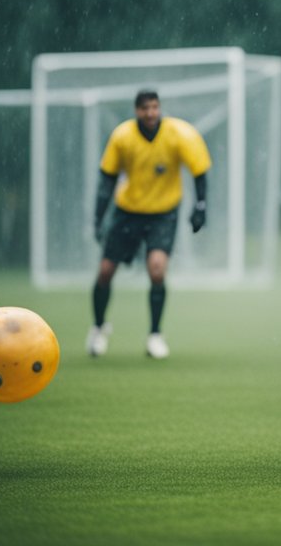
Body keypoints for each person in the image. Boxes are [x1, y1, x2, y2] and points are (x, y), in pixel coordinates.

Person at [87, 89, 210, 360]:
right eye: (145, 108)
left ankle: (155, 334)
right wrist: (98, 218)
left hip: (163, 213)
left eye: (154, 107)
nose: (150, 113)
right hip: (127, 211)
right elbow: (107, 179)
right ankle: (98, 328)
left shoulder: (179, 134)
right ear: (136, 111)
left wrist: (200, 206)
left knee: (156, 270)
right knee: (105, 271)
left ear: (159, 108)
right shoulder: (122, 136)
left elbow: (199, 171)